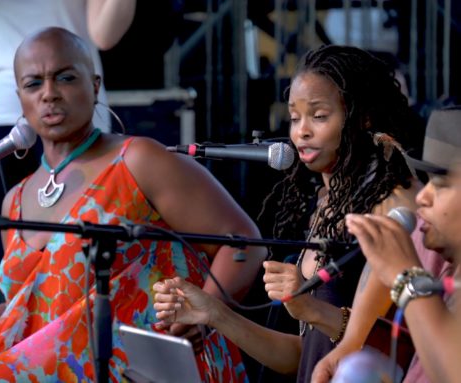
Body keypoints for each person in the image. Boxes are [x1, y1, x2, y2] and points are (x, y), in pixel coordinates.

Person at [0, 27, 266, 382]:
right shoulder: (14, 201)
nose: (49, 94)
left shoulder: (137, 159)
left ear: (94, 85)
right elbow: (28, 314)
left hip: (144, 367)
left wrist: (203, 315)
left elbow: (242, 241)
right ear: (19, 98)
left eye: (65, 77)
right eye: (33, 84)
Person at [153, 44, 424, 382]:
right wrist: (214, 314)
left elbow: (412, 345)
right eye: (295, 117)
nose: (301, 132)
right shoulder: (325, 204)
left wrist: (313, 309)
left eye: (319, 116)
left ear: (362, 117)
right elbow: (302, 355)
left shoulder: (397, 204)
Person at [0, 0, 137, 307]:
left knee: (89, 251)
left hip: (78, 102)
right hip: (3, 106)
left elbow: (104, 34)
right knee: (11, 264)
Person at [311, 107, 457, 383]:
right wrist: (350, 342)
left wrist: (406, 276)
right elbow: (386, 255)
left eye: (442, 184)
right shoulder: (442, 248)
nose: (423, 196)